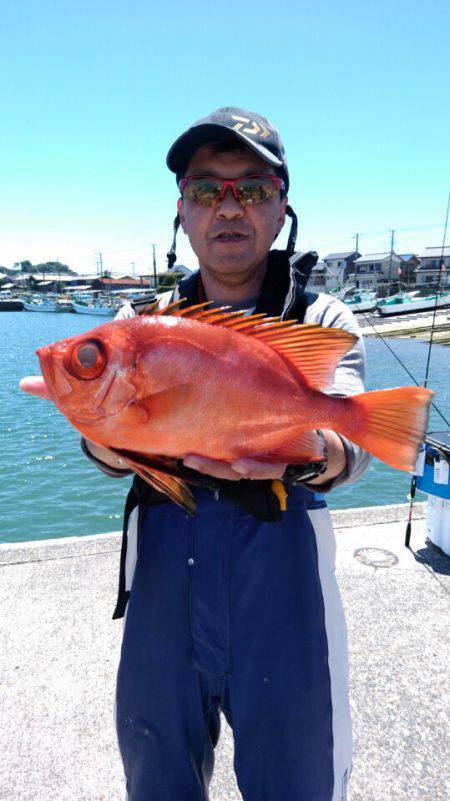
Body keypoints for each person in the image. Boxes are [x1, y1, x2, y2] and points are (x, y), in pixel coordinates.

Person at [83, 107, 370, 801]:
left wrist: (303, 449)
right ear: (182, 212)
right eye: (208, 189)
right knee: (157, 782)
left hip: (282, 586)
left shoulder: (320, 318)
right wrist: (102, 430)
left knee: (297, 785)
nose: (230, 207)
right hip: (163, 589)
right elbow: (104, 448)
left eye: (254, 187)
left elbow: (354, 438)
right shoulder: (139, 326)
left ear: (282, 209)